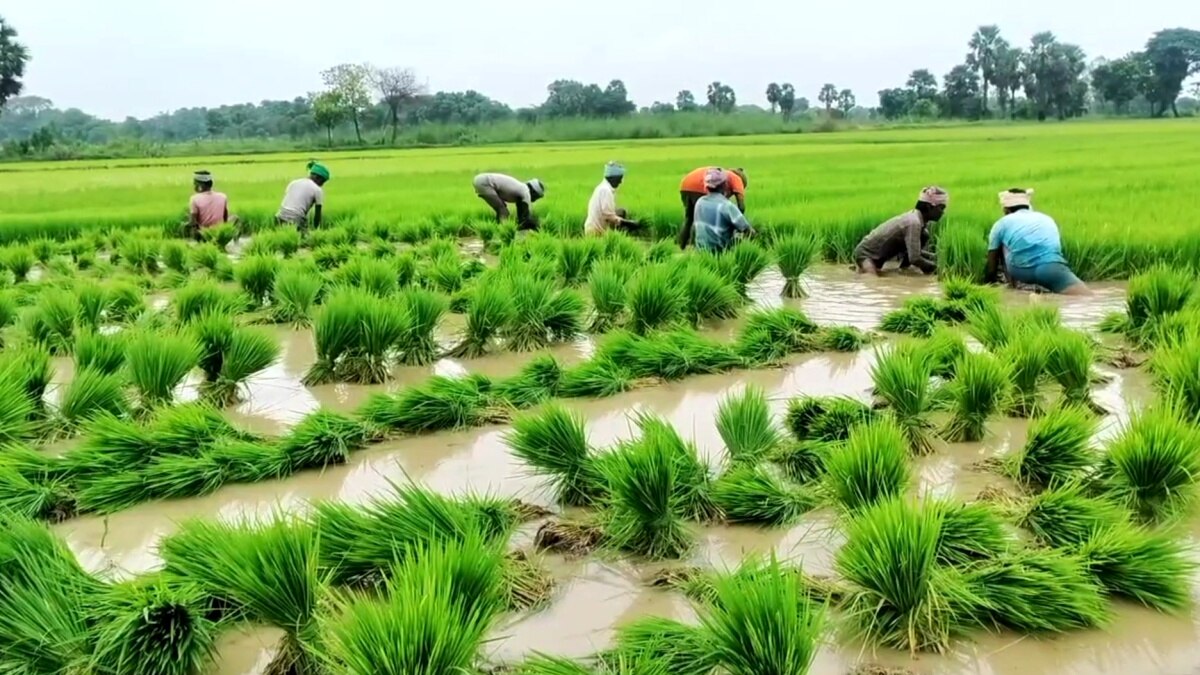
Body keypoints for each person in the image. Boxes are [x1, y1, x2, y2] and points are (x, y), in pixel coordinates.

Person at [985, 188, 1088, 295]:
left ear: (1006, 210)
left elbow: (992, 261)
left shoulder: (1002, 223)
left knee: (1003, 243)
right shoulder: (1046, 218)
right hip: (1052, 268)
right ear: (1028, 206)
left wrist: (988, 285)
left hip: (1021, 271)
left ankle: (1013, 287)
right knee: (1083, 295)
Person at [853, 186, 947, 275]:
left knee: (924, 235)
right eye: (941, 208)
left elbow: (914, 251)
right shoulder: (913, 222)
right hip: (865, 254)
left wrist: (937, 256)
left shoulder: (918, 223)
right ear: (929, 207)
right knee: (872, 280)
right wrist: (937, 268)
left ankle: (903, 270)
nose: (943, 212)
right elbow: (915, 258)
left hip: (880, 256)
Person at [678, 166, 747, 248]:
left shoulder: (721, 175)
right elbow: (741, 206)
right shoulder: (737, 179)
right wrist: (736, 221)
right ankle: (697, 247)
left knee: (689, 218)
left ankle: (681, 246)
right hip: (699, 187)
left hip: (685, 185)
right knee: (701, 221)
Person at [692, 168, 756, 253]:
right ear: (724, 185)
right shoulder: (727, 206)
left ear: (706, 186)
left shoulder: (699, 202)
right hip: (719, 252)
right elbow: (747, 230)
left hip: (701, 251)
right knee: (743, 236)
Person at [472, 173, 545, 230]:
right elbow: (524, 219)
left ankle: (498, 229)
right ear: (534, 192)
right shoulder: (526, 191)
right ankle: (502, 232)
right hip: (485, 183)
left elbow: (521, 217)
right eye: (536, 197)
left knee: (501, 209)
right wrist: (538, 226)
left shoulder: (520, 188)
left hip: (481, 180)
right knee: (503, 211)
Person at [584, 162, 639, 236]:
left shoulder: (602, 187)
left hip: (593, 228)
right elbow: (608, 216)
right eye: (619, 178)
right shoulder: (606, 190)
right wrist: (628, 223)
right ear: (612, 178)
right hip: (595, 231)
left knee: (621, 211)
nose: (620, 182)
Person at [276, 161, 329, 231]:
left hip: (279, 216)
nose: (322, 185)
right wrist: (317, 230)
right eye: (322, 181)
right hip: (296, 219)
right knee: (306, 240)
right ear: (317, 177)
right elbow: (317, 215)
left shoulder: (294, 182)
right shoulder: (317, 189)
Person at [185, 170, 231, 240]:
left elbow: (193, 223)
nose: (194, 186)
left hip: (204, 234)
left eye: (195, 184)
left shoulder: (194, 199)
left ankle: (196, 244)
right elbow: (225, 219)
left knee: (185, 226)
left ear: (200, 185)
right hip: (220, 233)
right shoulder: (223, 196)